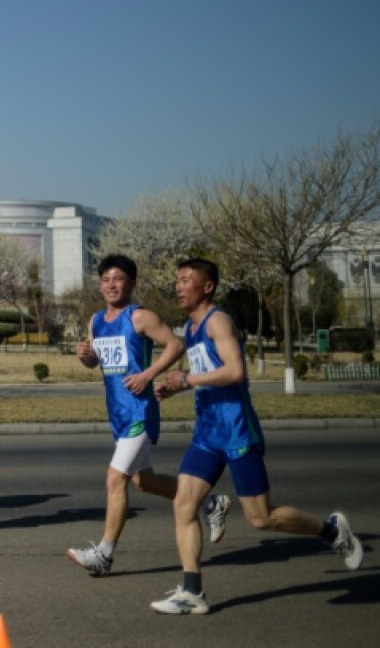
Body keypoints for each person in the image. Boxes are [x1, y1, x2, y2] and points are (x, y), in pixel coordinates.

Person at [148, 258, 363, 614]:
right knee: (183, 504)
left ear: (208, 286)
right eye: (177, 280)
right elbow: (207, 370)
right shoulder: (191, 326)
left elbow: (235, 370)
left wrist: (188, 379)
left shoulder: (218, 320)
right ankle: (192, 592)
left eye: (186, 280)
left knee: (261, 518)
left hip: (237, 432)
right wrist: (179, 385)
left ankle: (331, 531)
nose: (178, 286)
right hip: (207, 433)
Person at [66, 255, 230, 575]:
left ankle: (104, 554)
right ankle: (212, 504)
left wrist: (147, 375)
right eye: (105, 279)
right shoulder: (96, 320)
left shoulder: (140, 317)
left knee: (116, 479)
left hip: (140, 409)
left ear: (132, 283)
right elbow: (96, 362)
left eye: (118, 278)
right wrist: (85, 355)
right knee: (145, 481)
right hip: (117, 412)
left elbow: (175, 345)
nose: (111, 285)